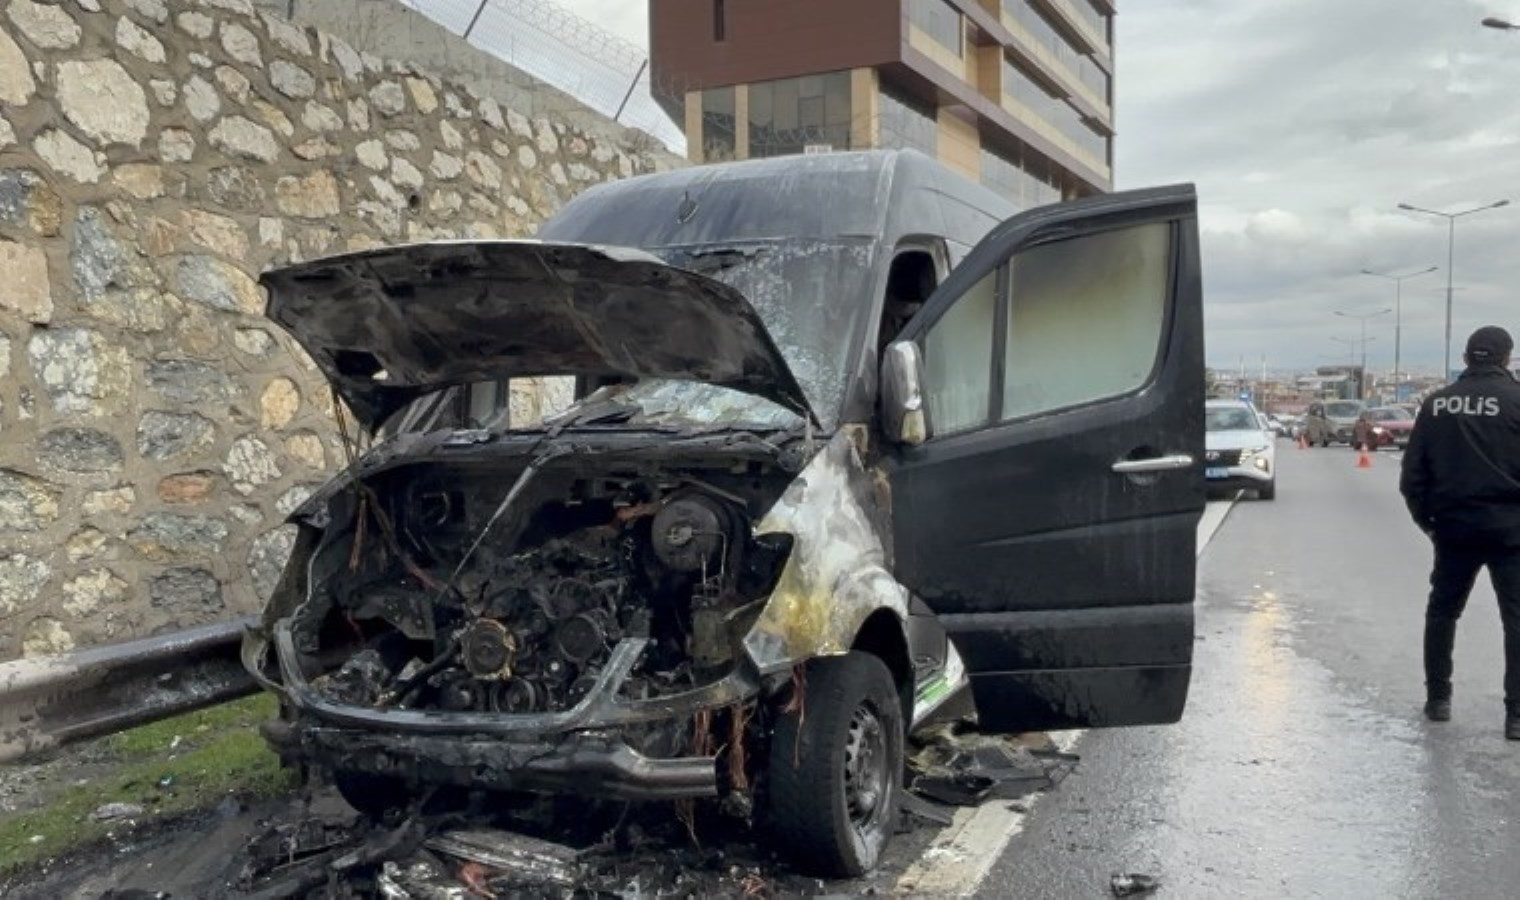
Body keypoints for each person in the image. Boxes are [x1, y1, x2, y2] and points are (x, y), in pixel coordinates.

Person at [1400, 325, 1520, 740]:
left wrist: (1430, 523)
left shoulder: (1437, 404)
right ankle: (1517, 716)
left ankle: (1438, 699)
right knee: (1516, 619)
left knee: (1443, 612)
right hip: (1511, 531)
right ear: (1507, 358)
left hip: (1454, 528)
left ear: (1467, 358)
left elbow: (1412, 477)